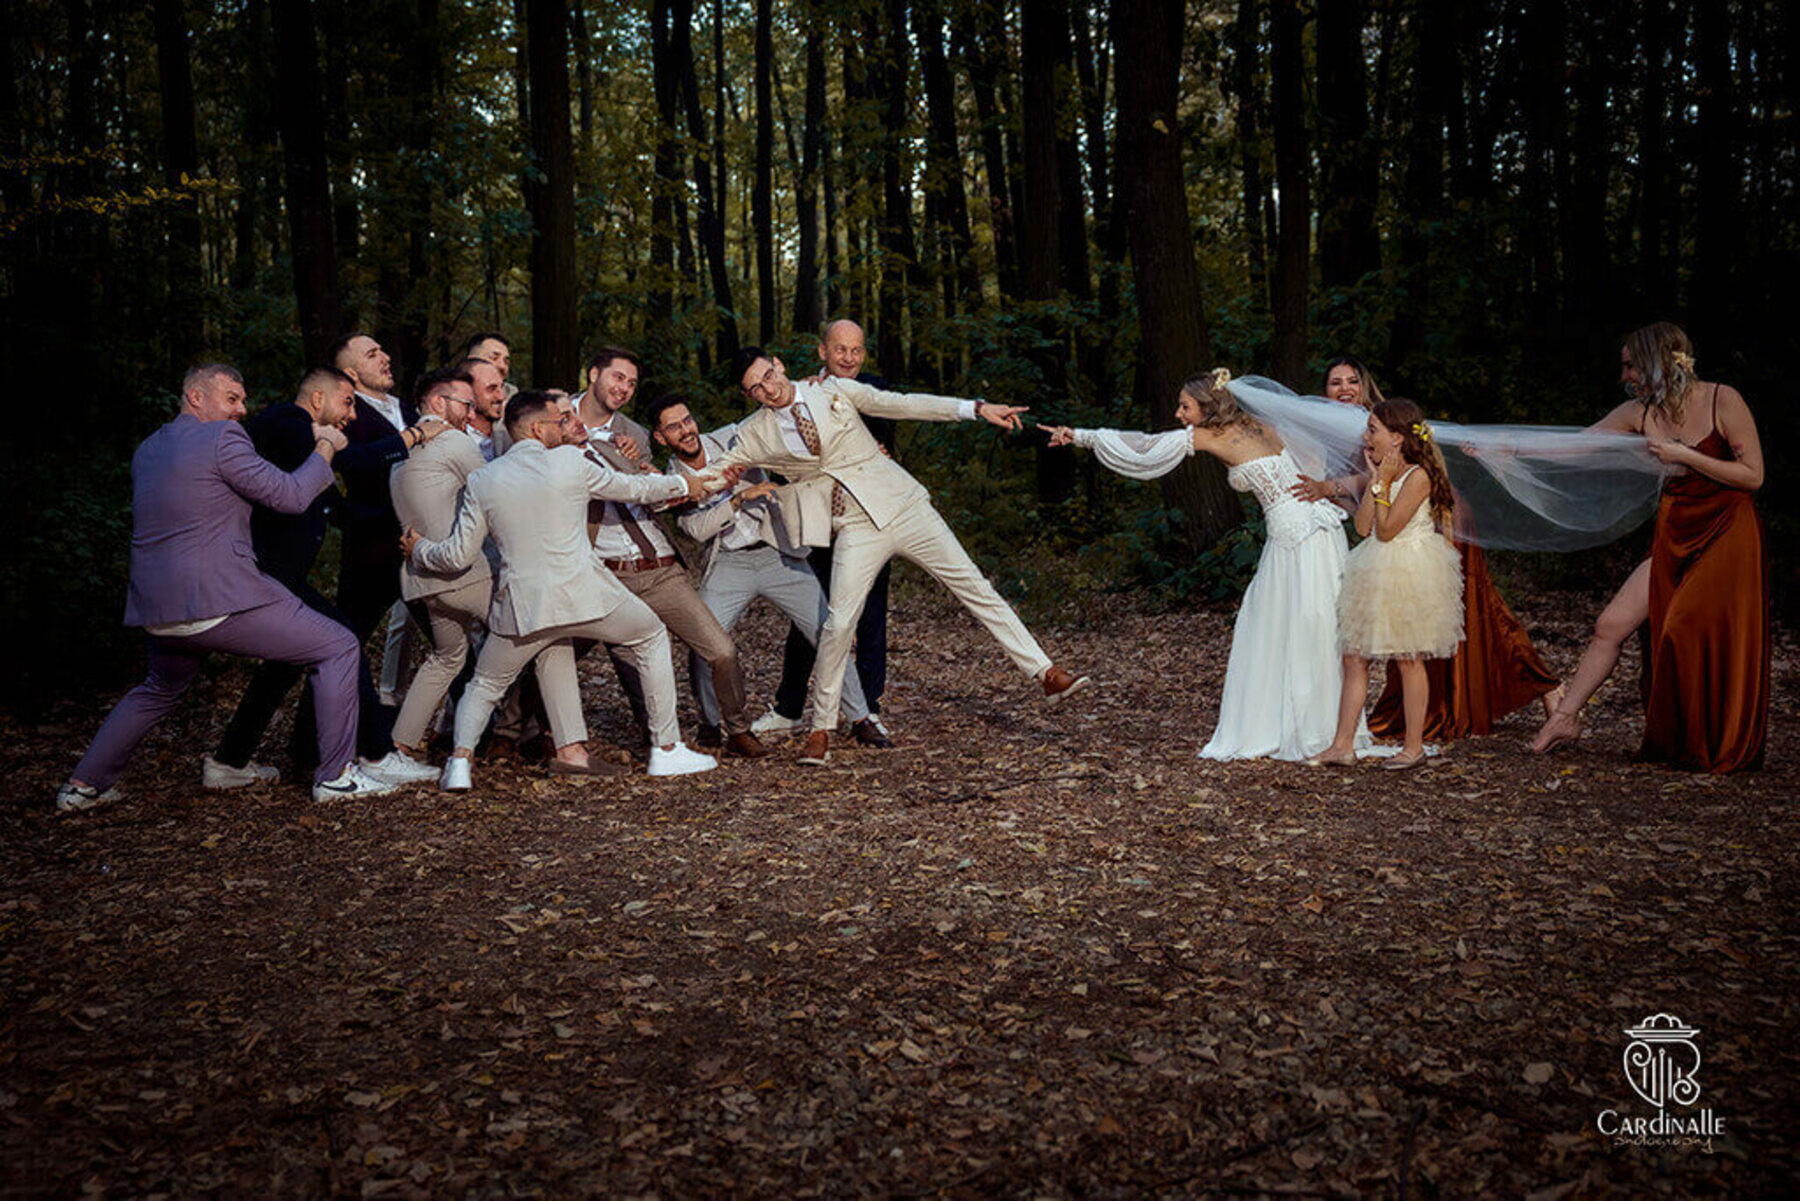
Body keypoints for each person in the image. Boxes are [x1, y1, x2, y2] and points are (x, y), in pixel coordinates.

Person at [707, 347, 1089, 766]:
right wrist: (674, 486)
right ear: (749, 395)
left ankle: (1045, 672)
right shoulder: (754, 434)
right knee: (838, 623)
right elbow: (715, 471)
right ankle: (821, 729)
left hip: (904, 506)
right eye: (755, 388)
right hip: (854, 525)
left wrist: (976, 408)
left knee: (974, 587)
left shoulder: (832, 389)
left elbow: (902, 404)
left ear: (778, 365)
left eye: (768, 375)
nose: (768, 389)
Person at [57, 365, 397, 811]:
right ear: (196, 397)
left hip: (156, 606)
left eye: (243, 400)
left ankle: (82, 786)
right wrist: (325, 448)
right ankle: (335, 778)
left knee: (159, 686)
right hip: (217, 595)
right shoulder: (222, 438)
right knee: (338, 645)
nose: (241, 410)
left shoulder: (149, 448)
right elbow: (291, 496)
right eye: (232, 398)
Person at [403, 391, 721, 787]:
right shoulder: (570, 462)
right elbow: (634, 488)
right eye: (558, 421)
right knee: (651, 634)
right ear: (538, 428)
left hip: (522, 607)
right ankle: (667, 749)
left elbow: (456, 555)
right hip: (585, 598)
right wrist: (685, 484)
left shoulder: (484, 479)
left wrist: (420, 550)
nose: (564, 427)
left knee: (484, 684)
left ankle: (459, 766)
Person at [1045, 369, 1354, 760]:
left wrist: (1079, 435)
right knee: (1310, 624)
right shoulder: (1260, 423)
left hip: (1295, 539)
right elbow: (1313, 455)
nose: (1178, 414)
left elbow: (1146, 446)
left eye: (1185, 406)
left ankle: (1303, 729)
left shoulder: (1211, 435)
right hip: (1322, 528)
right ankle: (1323, 727)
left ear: (1207, 407)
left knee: (1289, 625)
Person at [1534, 323, 1766, 770]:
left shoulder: (1723, 399)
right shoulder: (1636, 412)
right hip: (1675, 530)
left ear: (1658, 361)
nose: (1625, 376)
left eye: (1631, 366)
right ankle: (1564, 718)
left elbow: (1753, 475)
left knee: (1681, 626)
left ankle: (1705, 738)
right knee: (1611, 624)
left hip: (1727, 531)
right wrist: (1506, 450)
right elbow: (1576, 447)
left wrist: (1685, 455)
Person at [1294, 355, 1558, 741]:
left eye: (1353, 381)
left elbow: (1377, 478)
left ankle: (1542, 685)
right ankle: (1433, 706)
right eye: (1336, 382)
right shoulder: (1341, 428)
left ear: (1365, 387)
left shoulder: (1381, 422)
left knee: (1477, 609)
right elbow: (1368, 504)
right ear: (1324, 391)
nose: (1345, 389)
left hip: (1437, 524)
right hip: (1392, 525)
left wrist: (1328, 488)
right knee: (1410, 632)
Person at [208, 367, 438, 790]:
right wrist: (414, 436)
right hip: (264, 572)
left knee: (285, 661)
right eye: (347, 402)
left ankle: (229, 760)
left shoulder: (305, 443)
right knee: (342, 637)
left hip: (277, 573)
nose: (351, 415)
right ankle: (377, 754)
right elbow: (353, 461)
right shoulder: (287, 423)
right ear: (318, 399)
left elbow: (338, 509)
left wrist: (407, 530)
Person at [648, 393, 891, 749]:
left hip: (778, 552)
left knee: (828, 631)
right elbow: (696, 529)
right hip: (730, 562)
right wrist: (736, 500)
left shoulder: (732, 438)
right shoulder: (670, 483)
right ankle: (710, 722)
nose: (686, 430)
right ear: (660, 437)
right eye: (674, 427)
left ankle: (860, 718)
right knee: (704, 642)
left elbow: (785, 432)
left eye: (687, 420)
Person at [572, 350, 768, 758]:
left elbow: (654, 496)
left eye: (631, 383)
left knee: (722, 651)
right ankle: (515, 730)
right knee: (562, 649)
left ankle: (737, 728)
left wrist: (650, 474)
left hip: (660, 567)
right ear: (593, 374)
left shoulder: (634, 435)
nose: (624, 388)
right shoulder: (558, 419)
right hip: (604, 573)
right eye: (618, 378)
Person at [758, 319, 900, 737]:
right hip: (820, 521)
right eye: (840, 349)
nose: (849, 358)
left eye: (856, 350)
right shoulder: (797, 394)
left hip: (871, 518)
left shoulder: (876, 391)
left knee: (870, 616)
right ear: (823, 352)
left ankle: (867, 709)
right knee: (811, 615)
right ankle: (788, 708)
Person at [1310, 398, 1464, 770]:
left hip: (1408, 569)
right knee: (1354, 656)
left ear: (1396, 438)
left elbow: (1389, 529)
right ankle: (1342, 745)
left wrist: (1384, 482)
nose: (1366, 437)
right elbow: (1363, 528)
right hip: (1375, 567)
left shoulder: (1418, 477)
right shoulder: (1384, 475)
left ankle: (1413, 747)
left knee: (1408, 658)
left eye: (1372, 430)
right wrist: (1377, 480)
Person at [388, 367, 493, 758]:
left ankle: (398, 747)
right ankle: (558, 742)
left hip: (423, 580)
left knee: (446, 658)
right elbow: (496, 492)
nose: (471, 414)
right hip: (464, 576)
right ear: (437, 402)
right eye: (466, 404)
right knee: (532, 637)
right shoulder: (452, 440)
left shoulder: (400, 450)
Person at [463, 331, 518, 400]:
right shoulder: (452, 393)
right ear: (471, 361)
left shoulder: (511, 396)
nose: (502, 366)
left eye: (506, 362)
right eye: (494, 358)